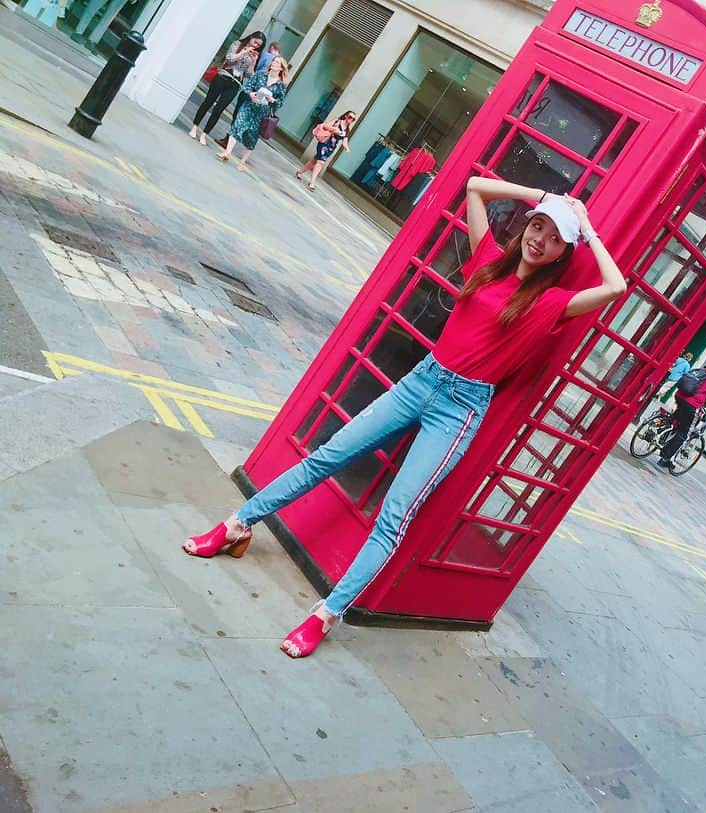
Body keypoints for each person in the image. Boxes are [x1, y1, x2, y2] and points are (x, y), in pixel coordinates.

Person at [182, 178, 626, 658]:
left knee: (393, 518)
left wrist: (583, 224)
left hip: (460, 409)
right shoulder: (487, 261)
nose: (541, 239)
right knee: (326, 456)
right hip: (423, 378)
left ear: (563, 252)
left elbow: (615, 285)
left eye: (554, 239)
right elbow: (475, 188)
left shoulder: (551, 303)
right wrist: (539, 198)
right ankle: (236, 525)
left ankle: (325, 615)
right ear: (527, 227)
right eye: (538, 228)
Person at [190, 32, 263, 146]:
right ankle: (194, 127)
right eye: (255, 42)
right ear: (251, 38)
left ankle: (204, 133)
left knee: (219, 109)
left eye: (258, 45)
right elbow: (229, 59)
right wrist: (243, 52)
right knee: (208, 102)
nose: (255, 46)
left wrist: (253, 62)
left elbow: (249, 75)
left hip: (236, 84)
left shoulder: (253, 54)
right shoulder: (237, 44)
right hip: (223, 77)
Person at [217, 56, 290, 171]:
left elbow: (280, 103)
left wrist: (272, 100)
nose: (274, 63)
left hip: (262, 113)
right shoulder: (260, 74)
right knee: (237, 125)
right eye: (274, 61)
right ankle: (227, 152)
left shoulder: (280, 86)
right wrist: (251, 94)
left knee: (252, 136)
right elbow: (247, 87)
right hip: (249, 106)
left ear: (281, 68)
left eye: (277, 63)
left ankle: (242, 162)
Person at [655, 364, 706, 472]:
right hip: (692, 405)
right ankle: (665, 458)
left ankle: (659, 429)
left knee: (677, 420)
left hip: (679, 396)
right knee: (685, 432)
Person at [295, 111, 355, 190]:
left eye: (353, 119)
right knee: (320, 162)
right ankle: (312, 183)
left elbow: (345, 141)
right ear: (346, 116)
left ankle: (299, 172)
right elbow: (326, 126)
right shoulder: (337, 121)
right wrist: (334, 129)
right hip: (324, 142)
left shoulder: (347, 130)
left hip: (331, 147)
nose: (351, 119)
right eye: (350, 117)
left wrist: (347, 148)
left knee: (314, 161)